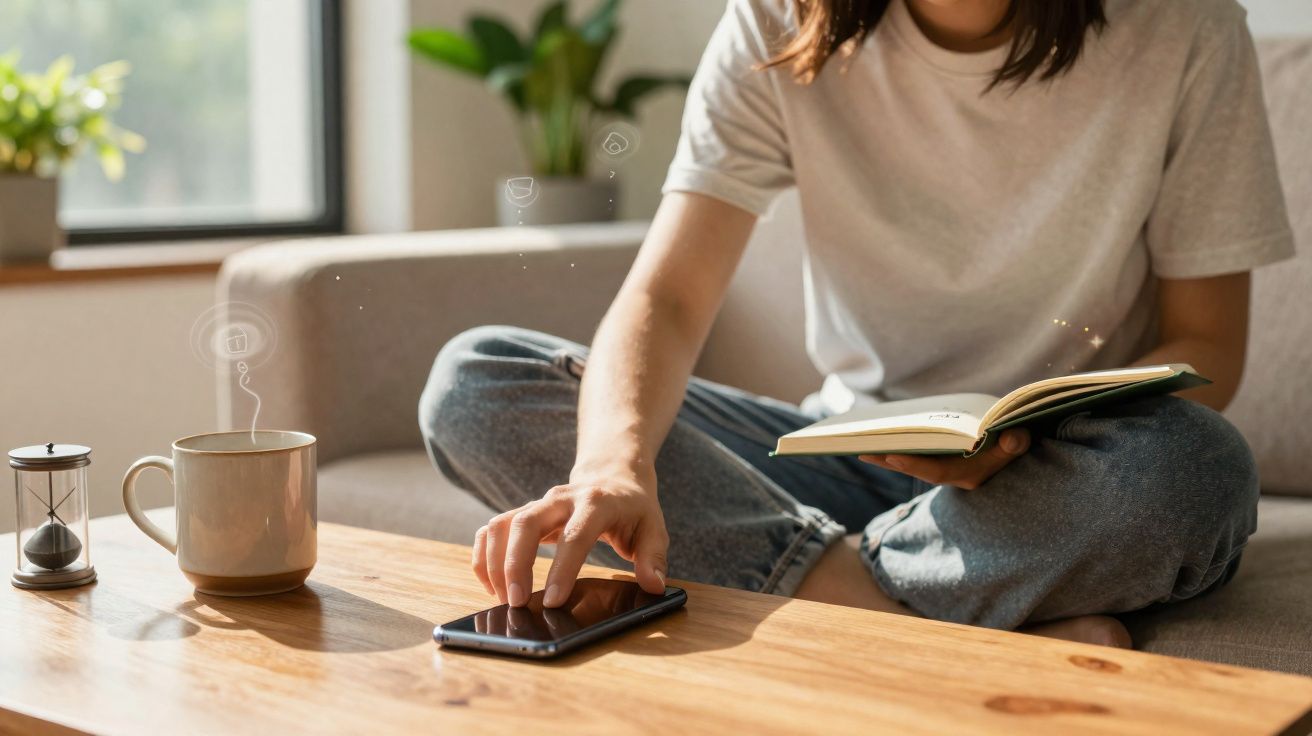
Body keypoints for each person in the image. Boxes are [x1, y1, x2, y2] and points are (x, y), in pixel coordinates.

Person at [419, 0, 1294, 647]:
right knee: (477, 380)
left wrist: (1019, 435)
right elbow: (669, 296)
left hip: (1057, 475)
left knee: (1197, 468)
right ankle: (892, 598)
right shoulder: (779, 19)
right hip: (841, 451)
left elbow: (1208, 342)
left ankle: (840, 587)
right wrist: (614, 464)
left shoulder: (1186, 26)